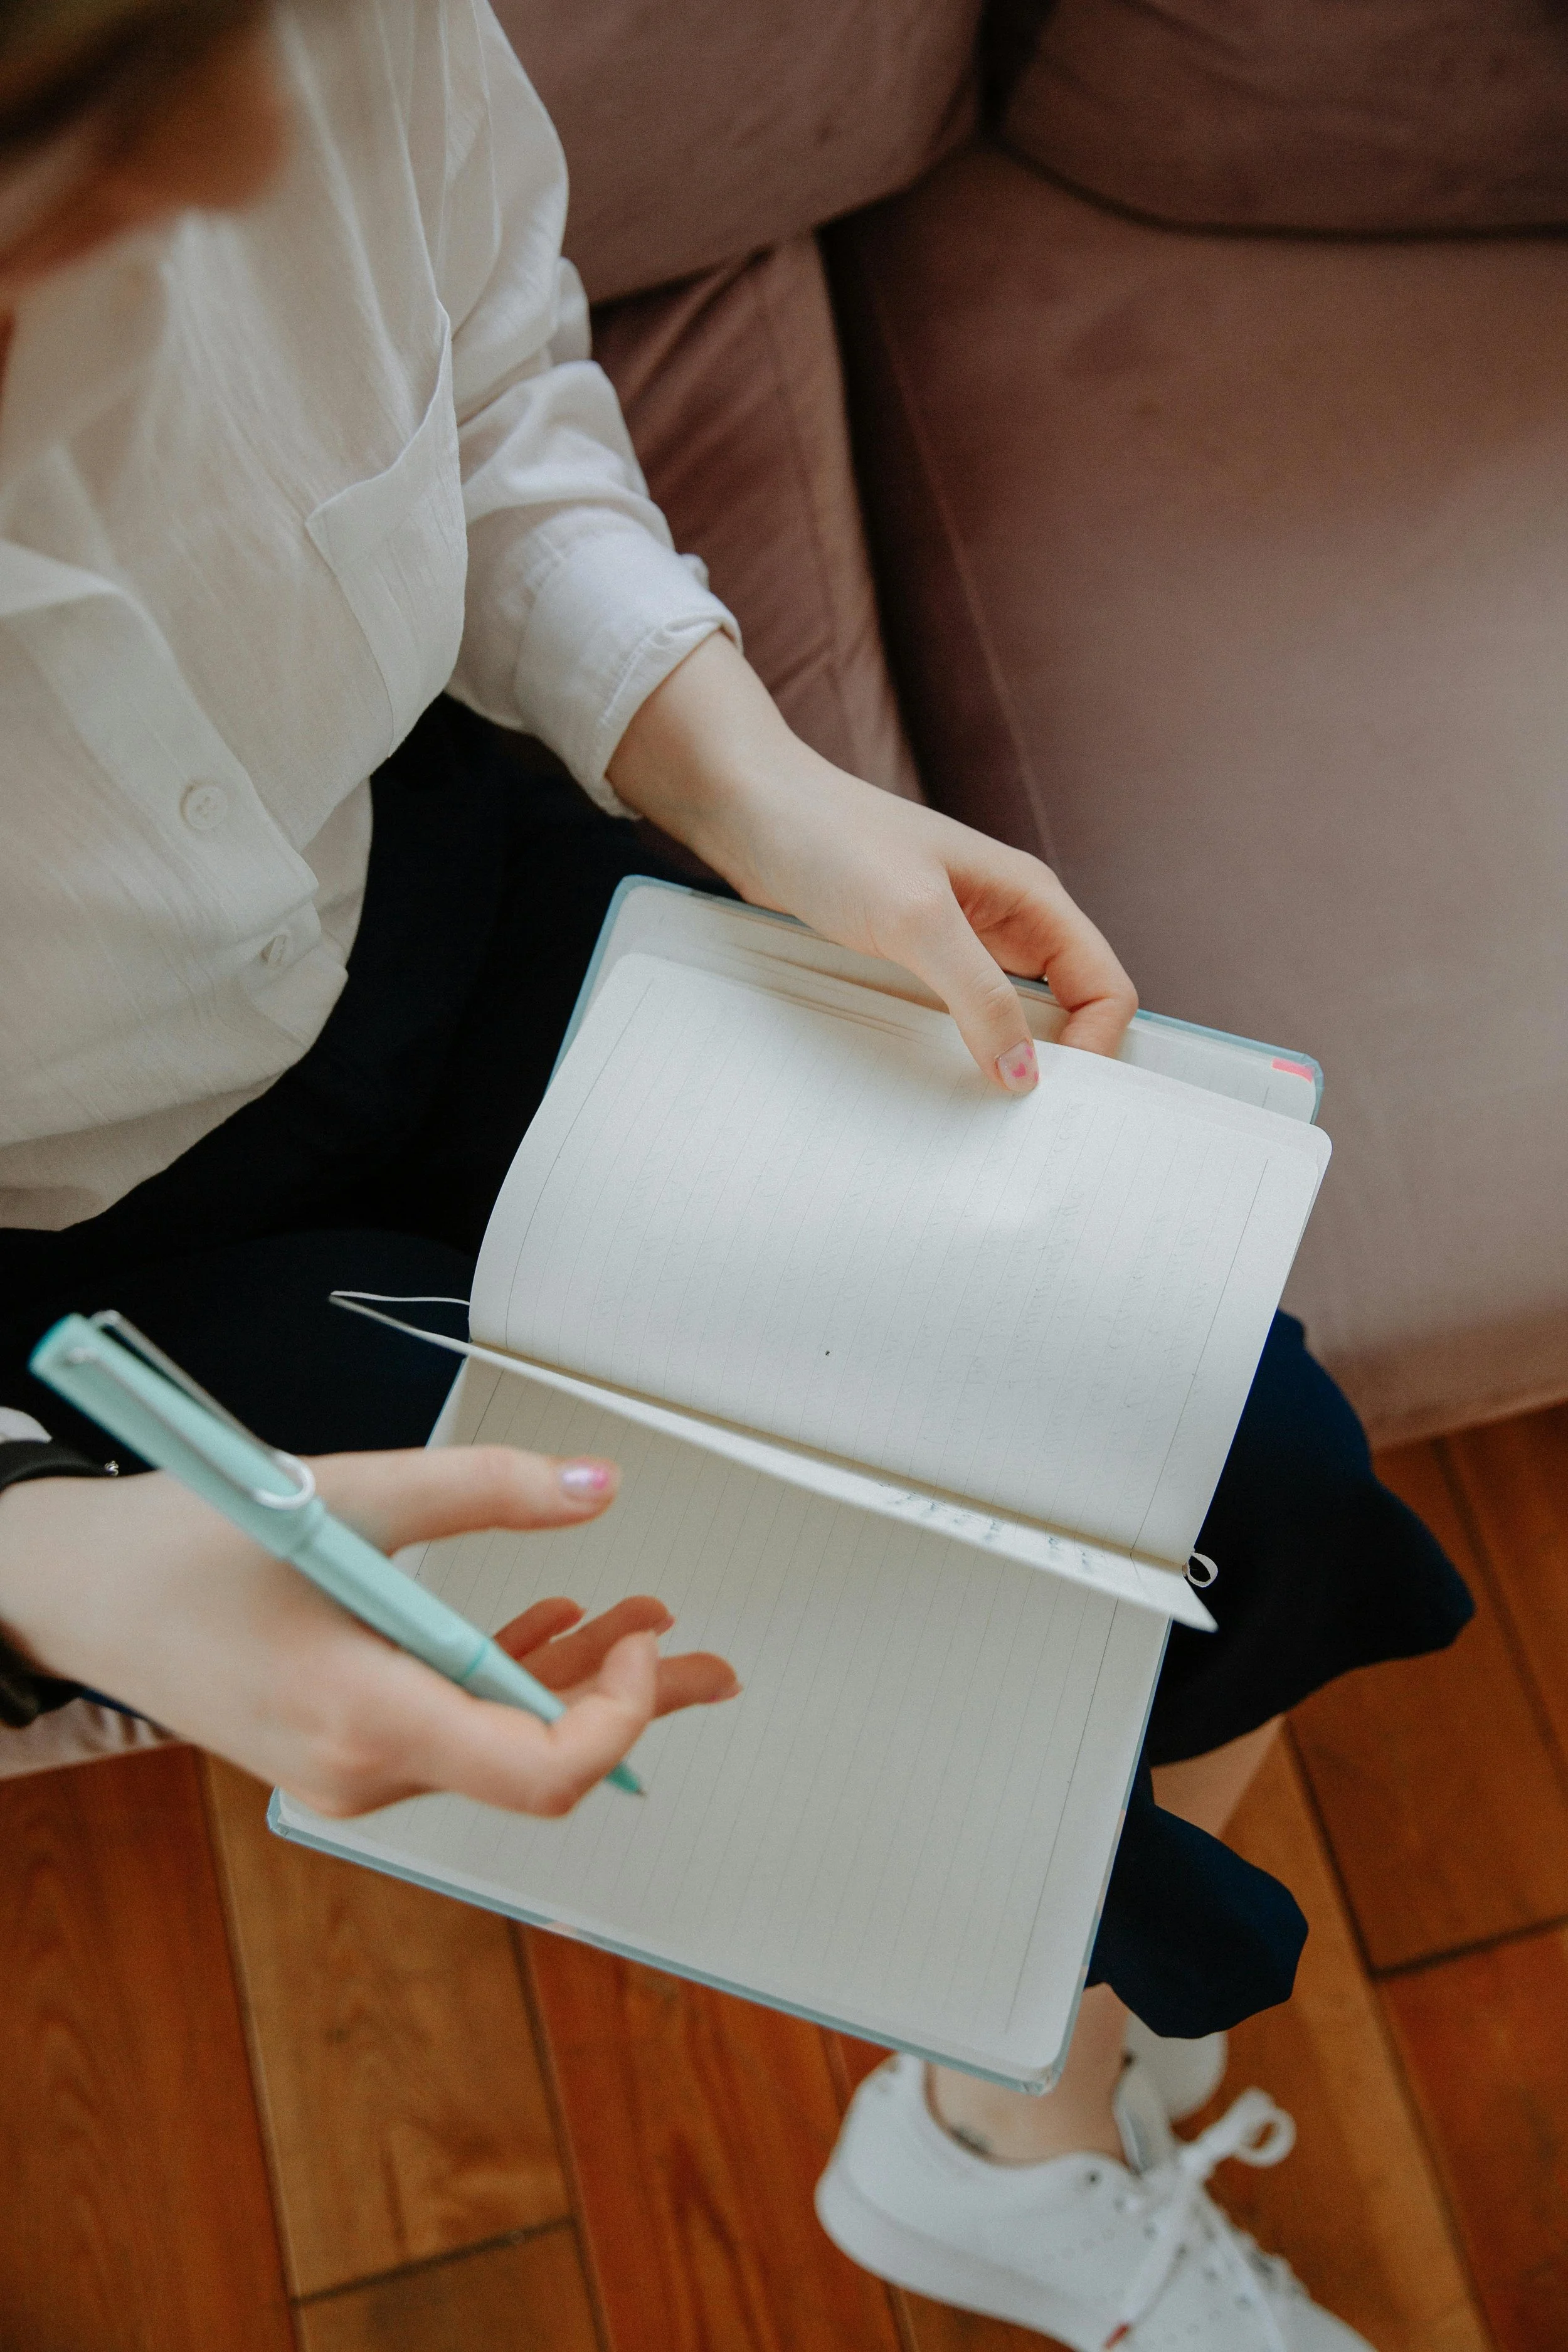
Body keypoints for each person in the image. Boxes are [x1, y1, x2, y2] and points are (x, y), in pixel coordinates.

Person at [0, 1, 1472, 2343]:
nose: (236, 187)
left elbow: (481, 372)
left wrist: (744, 777)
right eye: (71, 182)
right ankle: (1018, 2125)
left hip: (459, 895)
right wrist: (44, 1580)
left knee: (1243, 1475)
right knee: (840, 1707)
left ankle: (1010, 2092)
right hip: (83, 1261)